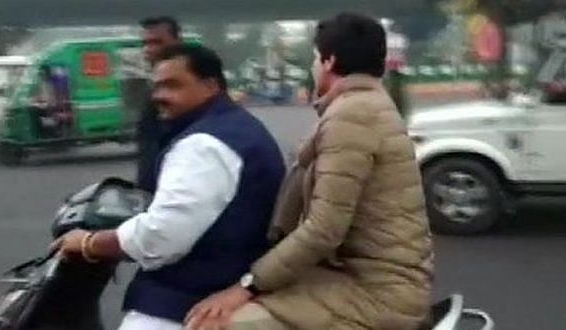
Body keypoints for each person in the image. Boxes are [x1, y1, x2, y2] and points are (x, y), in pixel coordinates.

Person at [185, 13, 434, 330]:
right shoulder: (369, 104)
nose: (313, 66)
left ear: (328, 62)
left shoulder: (351, 116)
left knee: (212, 325)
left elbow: (323, 230)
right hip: (370, 278)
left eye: (315, 58)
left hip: (376, 293)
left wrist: (247, 286)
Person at [52, 44, 286, 330]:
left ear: (210, 85)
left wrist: (89, 243)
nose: (159, 96)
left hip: (187, 302)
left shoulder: (203, 145)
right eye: (157, 87)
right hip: (225, 282)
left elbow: (163, 236)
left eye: (172, 86)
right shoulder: (236, 127)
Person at [136, 16, 182, 194]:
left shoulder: (187, 87)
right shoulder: (155, 84)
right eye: (146, 43)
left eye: (157, 42)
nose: (149, 49)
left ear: (177, 42)